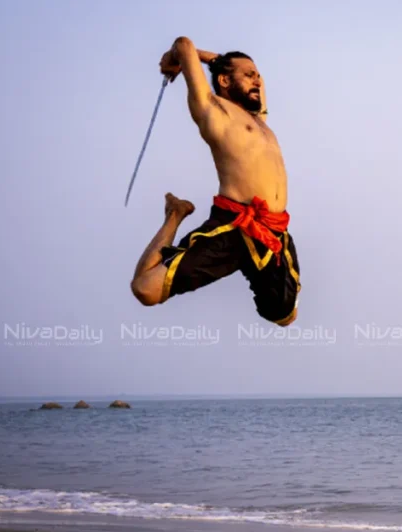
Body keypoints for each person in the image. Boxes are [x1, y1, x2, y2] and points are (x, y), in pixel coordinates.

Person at [129, 36, 301, 326]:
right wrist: (178, 59)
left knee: (284, 316)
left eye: (256, 75)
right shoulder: (213, 111)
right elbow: (183, 44)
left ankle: (251, 266)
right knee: (145, 290)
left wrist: (214, 60)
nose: (257, 81)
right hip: (232, 227)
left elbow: (256, 81)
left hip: (273, 232)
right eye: (248, 75)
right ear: (223, 80)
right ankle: (175, 214)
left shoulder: (258, 117)